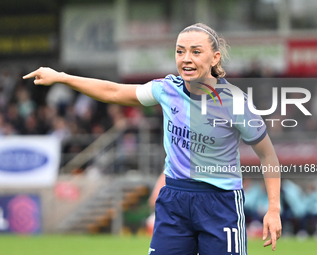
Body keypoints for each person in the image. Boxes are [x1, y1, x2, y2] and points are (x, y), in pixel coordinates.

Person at [23, 23, 281, 255]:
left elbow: (267, 155)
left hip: (220, 202)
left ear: (215, 58)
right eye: (180, 51)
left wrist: (273, 209)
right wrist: (62, 77)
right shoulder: (166, 89)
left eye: (195, 51)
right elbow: (113, 92)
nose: (186, 59)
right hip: (174, 199)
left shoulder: (235, 103)